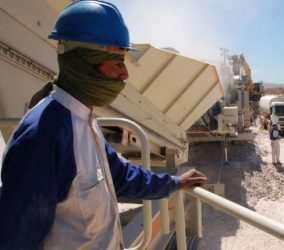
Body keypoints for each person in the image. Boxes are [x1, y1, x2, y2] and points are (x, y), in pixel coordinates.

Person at [0, 1, 207, 249]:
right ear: (84, 64)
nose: (125, 75)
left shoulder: (84, 120)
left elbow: (120, 175)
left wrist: (173, 183)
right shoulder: (44, 135)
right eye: (117, 63)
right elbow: (17, 238)